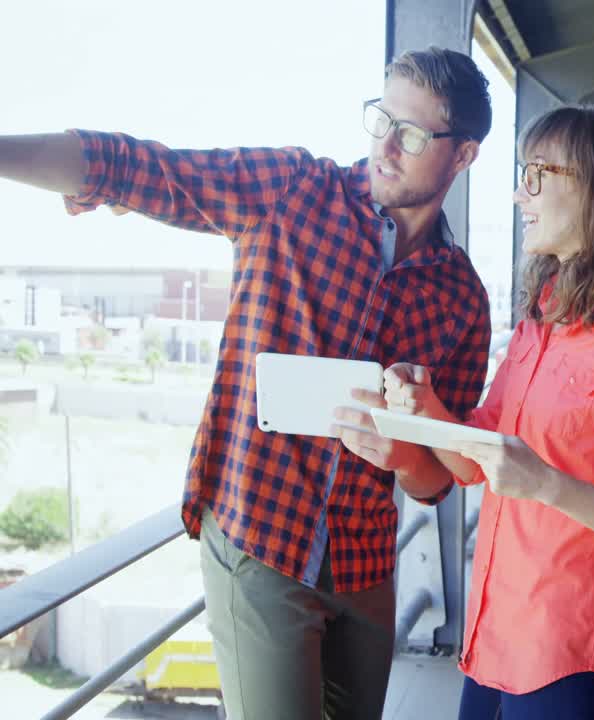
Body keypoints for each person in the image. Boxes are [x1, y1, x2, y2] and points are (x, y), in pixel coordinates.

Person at [0, 47, 493, 720]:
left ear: (461, 156)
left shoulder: (461, 296)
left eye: (410, 134)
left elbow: (439, 478)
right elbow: (147, 169)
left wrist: (404, 454)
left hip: (367, 560)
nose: (385, 146)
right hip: (262, 540)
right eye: (381, 120)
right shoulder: (293, 190)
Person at [379, 105, 594, 719]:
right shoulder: (539, 321)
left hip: (565, 643)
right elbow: (476, 465)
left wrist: (548, 485)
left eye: (536, 174)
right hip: (493, 629)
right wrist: (428, 408)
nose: (520, 193)